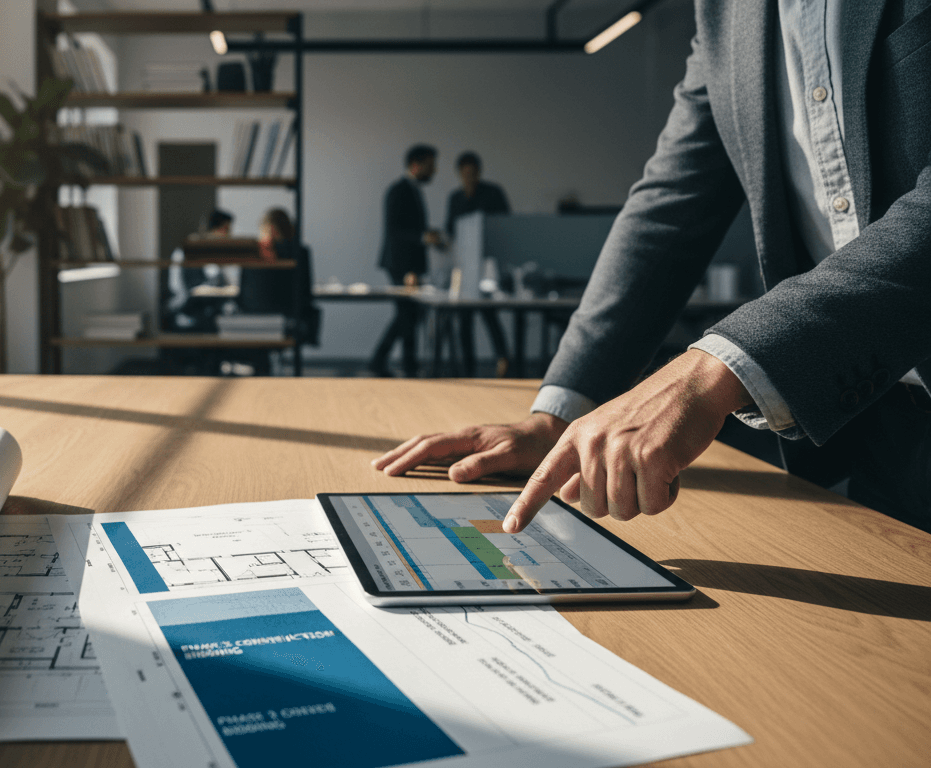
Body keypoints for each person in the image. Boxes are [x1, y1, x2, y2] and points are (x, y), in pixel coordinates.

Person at [374, 1, 931, 535]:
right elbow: (670, 207)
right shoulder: (725, 13)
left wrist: (724, 365)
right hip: (864, 412)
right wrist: (560, 415)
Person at [370, 144, 442, 378]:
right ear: (416, 165)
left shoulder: (411, 190)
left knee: (409, 313)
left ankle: (393, 361)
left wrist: (428, 236)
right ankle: (393, 361)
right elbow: (395, 230)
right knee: (408, 313)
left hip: (407, 262)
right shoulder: (399, 190)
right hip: (401, 263)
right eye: (430, 166)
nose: (434, 171)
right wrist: (422, 238)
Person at [444, 151, 511, 377]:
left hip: (486, 266)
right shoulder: (456, 198)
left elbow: (504, 225)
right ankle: (467, 368)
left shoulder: (492, 193)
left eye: (473, 173)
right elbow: (451, 230)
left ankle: (504, 360)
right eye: (465, 174)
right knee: (464, 318)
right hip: (464, 265)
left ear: (479, 172)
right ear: (460, 174)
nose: (469, 178)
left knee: (489, 314)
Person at [231, 208, 317, 375]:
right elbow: (306, 293)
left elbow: (242, 294)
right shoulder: (301, 252)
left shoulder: (252, 252)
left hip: (253, 319)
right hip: (288, 320)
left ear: (267, 229)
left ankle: (261, 369)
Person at [166, 209, 233, 332]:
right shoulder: (189, 251)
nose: (229, 235)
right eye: (227, 230)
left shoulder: (212, 252)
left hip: (204, 310)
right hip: (187, 311)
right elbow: (184, 290)